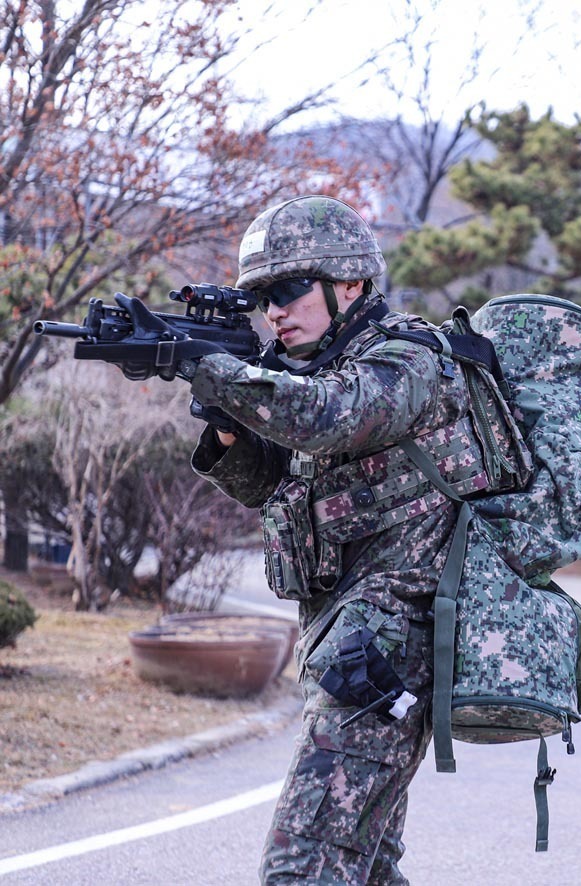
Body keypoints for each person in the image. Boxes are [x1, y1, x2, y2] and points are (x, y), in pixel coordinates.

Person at [182, 195, 491, 883]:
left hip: (390, 651)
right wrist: (230, 426)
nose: (274, 313)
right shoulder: (317, 372)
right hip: (350, 647)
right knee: (367, 868)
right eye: (262, 299)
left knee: (303, 868)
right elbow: (284, 492)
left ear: (349, 283)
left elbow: (331, 418)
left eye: (288, 290)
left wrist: (225, 375)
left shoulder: (407, 361)